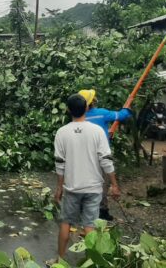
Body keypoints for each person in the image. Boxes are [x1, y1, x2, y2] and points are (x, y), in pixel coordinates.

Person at [53, 94, 121, 259]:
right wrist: (114, 184)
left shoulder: (62, 133)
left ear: (68, 110)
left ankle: (60, 261)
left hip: (72, 188)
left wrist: (59, 187)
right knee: (89, 225)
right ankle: (91, 262)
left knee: (66, 223)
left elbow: (60, 164)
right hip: (93, 188)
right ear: (86, 108)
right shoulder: (97, 131)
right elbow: (106, 161)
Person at [78, 89, 132, 221]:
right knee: (102, 182)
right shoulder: (101, 114)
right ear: (93, 101)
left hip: (83, 155)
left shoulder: (78, 118)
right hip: (100, 154)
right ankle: (102, 211)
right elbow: (122, 116)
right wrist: (127, 107)